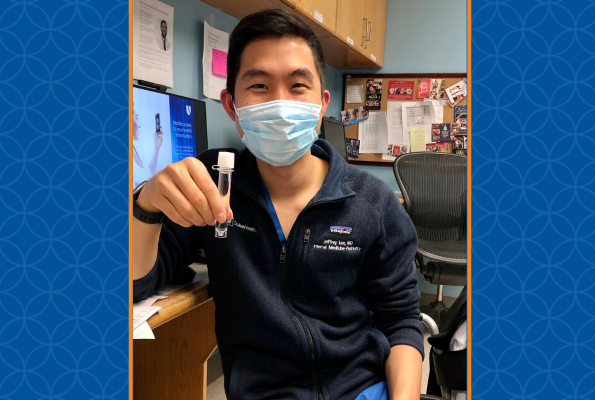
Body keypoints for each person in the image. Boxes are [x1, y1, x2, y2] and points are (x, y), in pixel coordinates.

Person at [133, 9, 423, 400]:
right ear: (231, 105)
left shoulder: (373, 203)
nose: (281, 103)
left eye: (298, 85)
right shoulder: (213, 184)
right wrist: (145, 204)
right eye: (259, 86)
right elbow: (135, 283)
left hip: (360, 389)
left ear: (321, 104)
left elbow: (401, 323)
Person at [132, 103, 163, 189]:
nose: (139, 125)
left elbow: (147, 174)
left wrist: (156, 147)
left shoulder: (134, 148)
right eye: (136, 118)